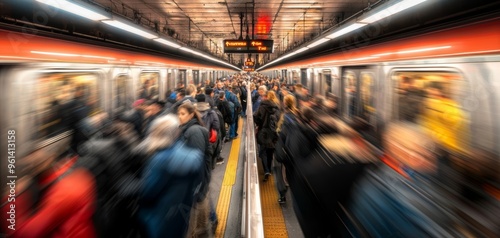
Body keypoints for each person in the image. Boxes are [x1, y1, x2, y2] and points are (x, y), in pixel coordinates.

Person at [5, 144, 97, 237]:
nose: (30, 160)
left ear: (52, 155)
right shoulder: (72, 172)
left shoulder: (66, 190)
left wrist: (12, 196)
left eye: (34, 152)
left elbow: (25, 234)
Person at [138, 114, 204, 238]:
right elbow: (197, 184)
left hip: (158, 219)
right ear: (176, 133)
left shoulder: (160, 159)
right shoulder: (193, 155)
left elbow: (148, 193)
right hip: (180, 215)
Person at [177, 103, 213, 237]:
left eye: (183, 114)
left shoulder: (194, 131)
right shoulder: (187, 129)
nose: (179, 117)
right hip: (196, 184)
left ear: (191, 114)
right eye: (178, 114)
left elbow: (196, 160)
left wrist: (196, 186)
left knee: (193, 225)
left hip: (196, 185)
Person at [254, 90, 281, 182]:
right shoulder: (277, 107)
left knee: (262, 151)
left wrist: (258, 124)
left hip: (263, 131)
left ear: (266, 97)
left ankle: (266, 170)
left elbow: (256, 117)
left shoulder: (262, 106)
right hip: (273, 132)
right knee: (270, 151)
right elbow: (278, 120)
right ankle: (269, 168)